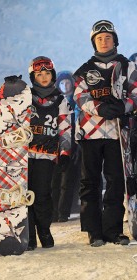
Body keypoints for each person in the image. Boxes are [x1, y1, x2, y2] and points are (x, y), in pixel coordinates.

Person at [73, 20, 137, 247]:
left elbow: (136, 92)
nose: (103, 41)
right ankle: (93, 231)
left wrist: (125, 106)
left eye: (108, 37)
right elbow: (79, 96)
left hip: (117, 135)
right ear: (94, 42)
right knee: (89, 182)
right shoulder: (84, 70)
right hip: (90, 133)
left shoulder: (127, 66)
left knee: (115, 182)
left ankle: (112, 230)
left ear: (115, 40)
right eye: (99, 38)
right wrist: (99, 108)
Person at [27, 56, 73, 250]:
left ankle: (44, 230)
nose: (43, 77)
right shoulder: (24, 97)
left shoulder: (60, 100)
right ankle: (28, 235)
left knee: (43, 195)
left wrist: (64, 152)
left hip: (47, 154)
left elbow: (65, 129)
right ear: (33, 77)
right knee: (24, 195)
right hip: (24, 155)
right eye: (39, 74)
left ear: (52, 75)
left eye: (47, 73)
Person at [52, 71, 81, 222]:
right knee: (54, 179)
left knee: (68, 179)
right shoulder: (54, 100)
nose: (65, 85)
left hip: (75, 140)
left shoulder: (77, 100)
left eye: (68, 82)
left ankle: (64, 212)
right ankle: (54, 211)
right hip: (56, 141)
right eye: (62, 83)